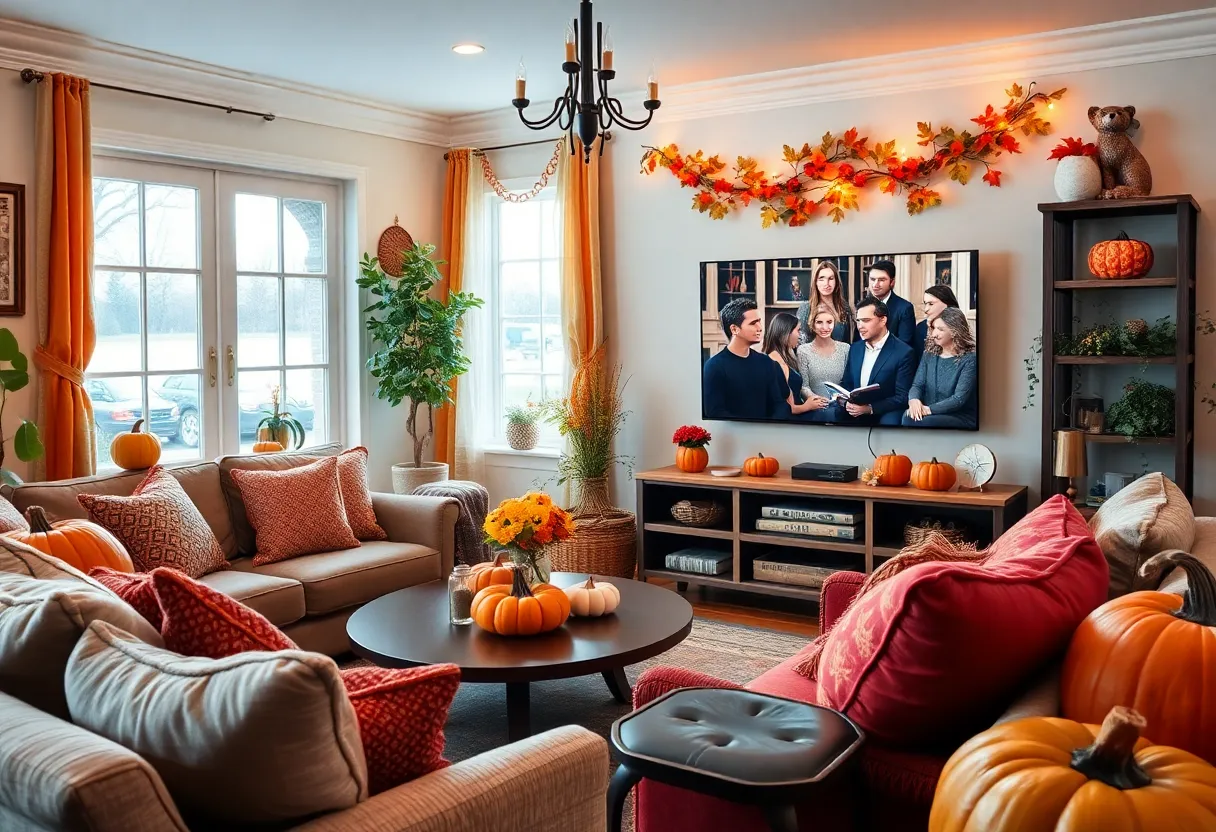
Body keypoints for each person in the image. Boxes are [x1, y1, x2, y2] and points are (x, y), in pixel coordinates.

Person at [702, 298, 792, 420]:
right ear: (734, 329)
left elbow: (780, 405)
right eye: (753, 323)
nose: (760, 327)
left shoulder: (766, 363)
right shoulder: (714, 366)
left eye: (759, 321)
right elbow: (715, 412)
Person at [832, 296, 915, 426]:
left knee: (889, 422)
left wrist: (870, 408)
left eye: (866, 321)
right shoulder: (855, 348)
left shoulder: (904, 352)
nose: (860, 326)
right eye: (858, 321)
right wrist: (845, 402)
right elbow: (847, 383)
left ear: (883, 320)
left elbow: (902, 397)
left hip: (884, 412)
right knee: (832, 414)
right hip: (855, 410)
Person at [903, 307, 978, 429]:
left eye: (940, 329)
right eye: (934, 328)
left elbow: (958, 399)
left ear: (955, 332)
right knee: (907, 416)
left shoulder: (970, 359)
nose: (934, 334)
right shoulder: (929, 354)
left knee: (917, 421)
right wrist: (914, 400)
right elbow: (917, 385)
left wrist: (928, 410)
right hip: (930, 412)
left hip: (959, 415)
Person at [762, 312, 821, 417]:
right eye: (798, 330)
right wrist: (808, 406)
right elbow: (788, 408)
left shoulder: (783, 357)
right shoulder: (777, 363)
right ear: (786, 332)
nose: (799, 336)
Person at [795, 305, 848, 420]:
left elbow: (848, 382)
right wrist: (817, 400)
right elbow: (804, 386)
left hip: (841, 406)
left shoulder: (845, 349)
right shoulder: (803, 350)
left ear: (834, 323)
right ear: (812, 325)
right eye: (819, 322)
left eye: (829, 322)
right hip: (816, 407)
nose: (825, 327)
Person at [797, 260, 852, 344]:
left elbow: (847, 342)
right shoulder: (806, 308)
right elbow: (800, 342)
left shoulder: (844, 308)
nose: (826, 284)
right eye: (821, 279)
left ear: (836, 282)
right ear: (816, 282)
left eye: (831, 278)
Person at [863, 259, 915, 348]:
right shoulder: (863, 306)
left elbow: (904, 345)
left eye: (881, 280)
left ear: (892, 282)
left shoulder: (905, 308)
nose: (875, 284)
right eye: (872, 279)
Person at [914, 284, 960, 357]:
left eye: (931, 304)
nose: (926, 309)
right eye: (925, 304)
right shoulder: (921, 327)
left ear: (947, 304)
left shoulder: (960, 327)